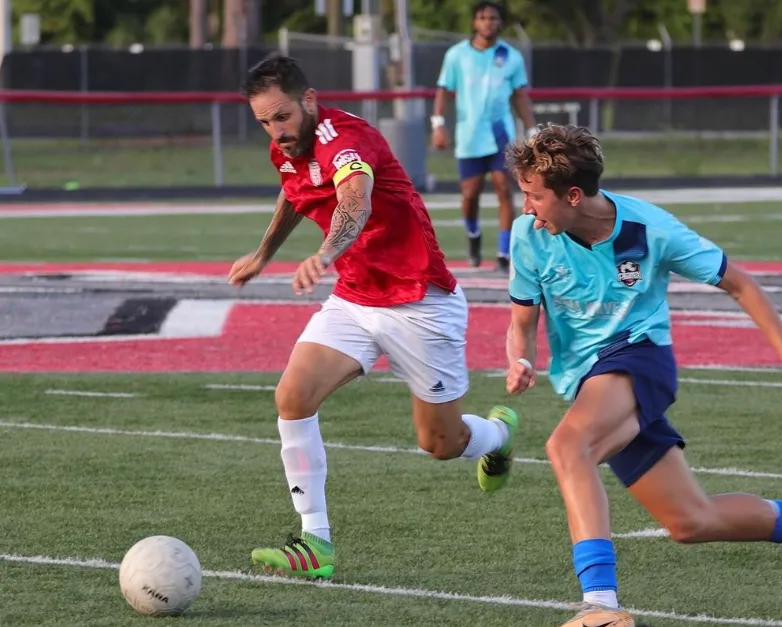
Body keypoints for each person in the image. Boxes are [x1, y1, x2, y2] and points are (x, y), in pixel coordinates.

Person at [227, 53, 520, 580]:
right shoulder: (288, 147)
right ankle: (315, 542)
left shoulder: (345, 140)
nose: (276, 131)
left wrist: (328, 252)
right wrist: (265, 253)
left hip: (420, 303)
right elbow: (297, 192)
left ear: (309, 101)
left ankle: (497, 437)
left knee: (440, 444)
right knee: (292, 397)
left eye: (283, 117)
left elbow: (354, 203)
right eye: (265, 122)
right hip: (356, 299)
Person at [503, 123, 782, 627]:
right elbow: (522, 321)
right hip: (588, 382)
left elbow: (740, 283)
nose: (526, 208)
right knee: (691, 521)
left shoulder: (652, 230)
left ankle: (602, 607)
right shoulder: (529, 236)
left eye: (533, 196)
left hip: (639, 357)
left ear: (571, 194)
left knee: (568, 448)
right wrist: (519, 358)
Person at [432, 1, 537, 273]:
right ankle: (473, 236)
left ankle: (503, 253)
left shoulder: (510, 56)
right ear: (474, 23)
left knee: (505, 189)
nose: (488, 22)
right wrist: (438, 124)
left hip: (501, 135)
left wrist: (532, 130)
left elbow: (519, 96)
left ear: (500, 22)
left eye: (493, 18)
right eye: (482, 18)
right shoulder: (457, 55)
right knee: (470, 194)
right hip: (469, 136)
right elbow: (443, 90)